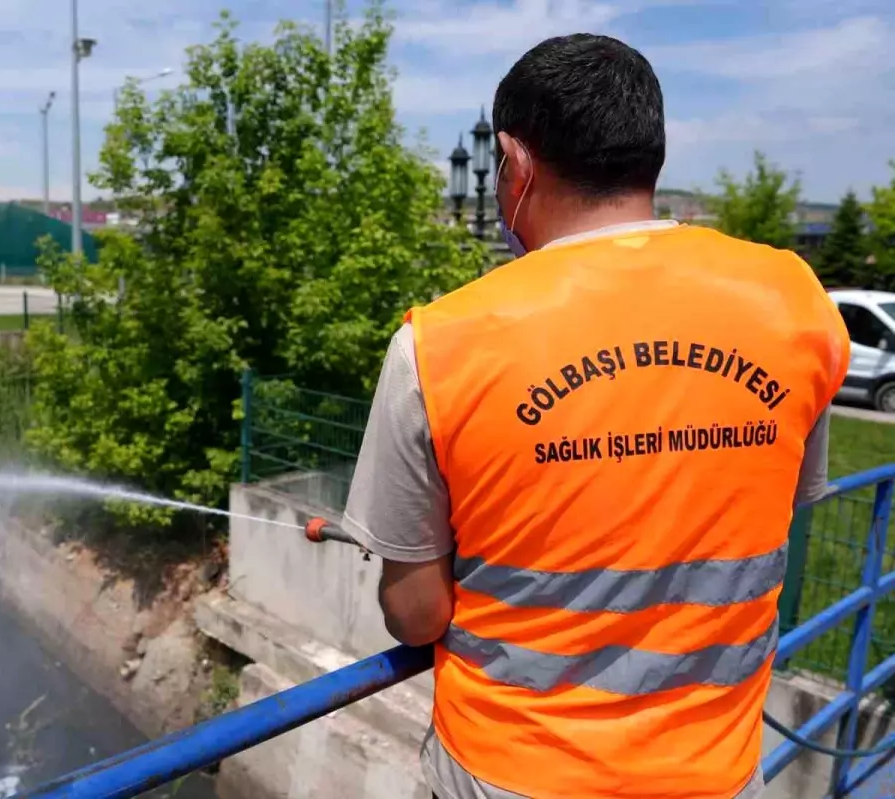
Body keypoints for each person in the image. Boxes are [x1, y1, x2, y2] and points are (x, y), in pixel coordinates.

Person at [340, 33, 849, 799]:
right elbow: (772, 510)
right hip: (718, 770)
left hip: (511, 772)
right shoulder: (795, 302)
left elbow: (417, 616)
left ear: (515, 162)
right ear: (651, 152)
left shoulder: (441, 342)